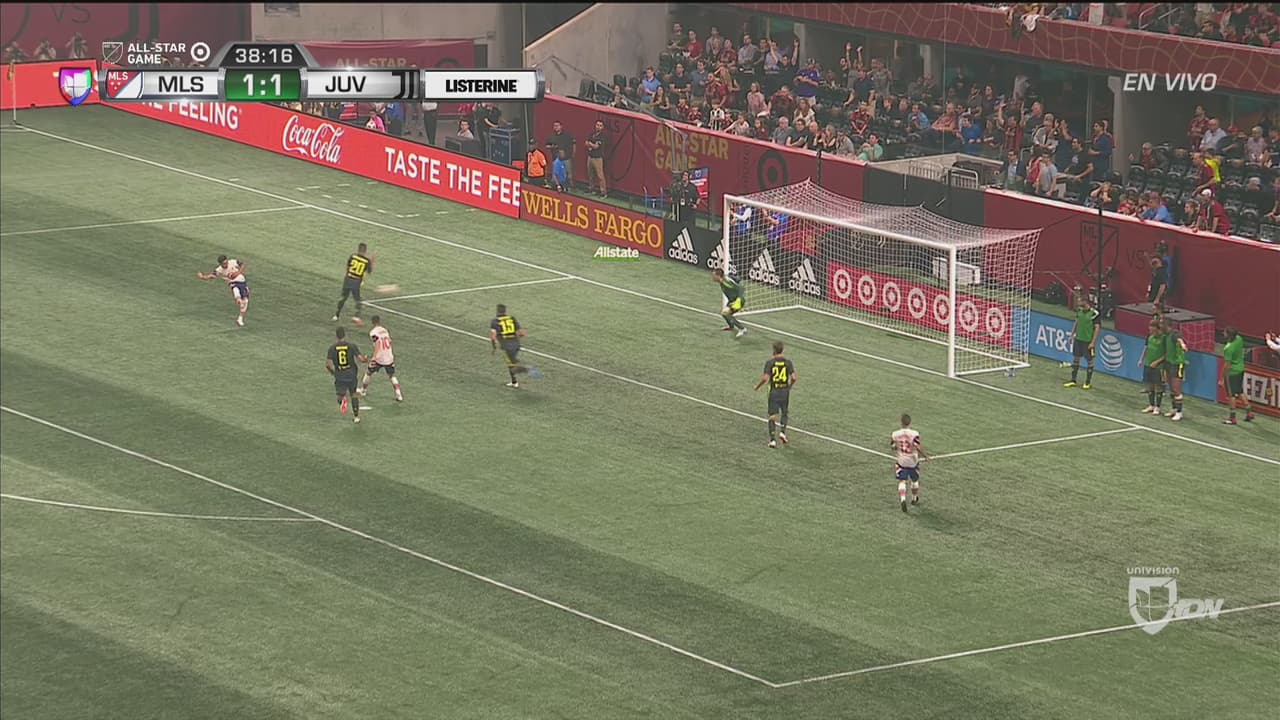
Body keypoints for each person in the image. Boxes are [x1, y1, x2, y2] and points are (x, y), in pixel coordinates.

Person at [753, 341, 796, 448]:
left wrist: (757, 386)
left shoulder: (770, 363)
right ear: (782, 350)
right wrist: (789, 386)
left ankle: (772, 440)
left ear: (774, 350)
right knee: (784, 412)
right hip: (784, 391)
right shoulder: (788, 362)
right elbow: (794, 377)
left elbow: (765, 378)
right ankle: (783, 432)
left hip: (774, 391)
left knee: (772, 415)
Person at [490, 304, 539, 388]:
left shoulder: (494, 321)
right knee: (511, 363)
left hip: (506, 345)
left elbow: (493, 336)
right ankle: (514, 382)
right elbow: (522, 333)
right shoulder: (512, 318)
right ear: (505, 311)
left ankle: (527, 369)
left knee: (512, 366)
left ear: (497, 311)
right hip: (516, 344)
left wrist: (494, 347)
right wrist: (515, 339)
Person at [326, 327, 367, 423]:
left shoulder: (332, 348)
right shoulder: (351, 346)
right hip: (351, 374)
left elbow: (328, 364)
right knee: (354, 394)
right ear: (344, 335)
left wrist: (333, 373)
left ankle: (343, 399)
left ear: (336, 336)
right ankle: (356, 417)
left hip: (340, 374)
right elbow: (361, 359)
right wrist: (365, 359)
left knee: (339, 396)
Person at [196, 255, 249, 327]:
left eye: (226, 262)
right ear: (220, 264)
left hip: (243, 282)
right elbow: (211, 276)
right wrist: (202, 277)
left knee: (245, 301)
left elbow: (242, 265)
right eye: (224, 263)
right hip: (233, 282)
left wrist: (238, 272)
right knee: (235, 288)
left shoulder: (233, 262)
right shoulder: (219, 270)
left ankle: (240, 318)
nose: (226, 264)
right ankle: (238, 299)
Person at [360, 315, 403, 403]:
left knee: (368, 373)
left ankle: (363, 391)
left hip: (379, 357)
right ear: (379, 321)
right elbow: (390, 341)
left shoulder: (373, 332)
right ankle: (399, 394)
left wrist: (374, 357)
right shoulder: (385, 330)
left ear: (372, 322)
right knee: (392, 375)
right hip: (389, 356)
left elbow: (378, 344)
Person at [891, 413, 927, 513]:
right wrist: (925, 456)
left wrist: (897, 447)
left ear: (901, 422)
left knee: (902, 481)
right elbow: (917, 447)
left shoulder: (895, 434)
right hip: (913, 461)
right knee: (914, 480)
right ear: (910, 422)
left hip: (901, 460)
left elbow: (893, 446)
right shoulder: (914, 434)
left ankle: (903, 498)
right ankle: (914, 498)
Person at [1064, 293, 1101, 389]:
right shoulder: (1079, 311)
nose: (1078, 302)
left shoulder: (1094, 314)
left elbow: (1097, 329)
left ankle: (1087, 383)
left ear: (1085, 301)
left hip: (1087, 341)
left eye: (1080, 300)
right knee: (1076, 359)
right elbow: (1076, 322)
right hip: (1078, 339)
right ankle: (1073, 380)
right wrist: (1072, 335)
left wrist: (1093, 342)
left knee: (1090, 361)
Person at [332, 242, 373, 326]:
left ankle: (336, 315)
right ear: (365, 251)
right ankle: (356, 316)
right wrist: (372, 262)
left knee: (343, 297)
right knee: (358, 299)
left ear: (358, 249)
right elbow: (369, 271)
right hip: (356, 282)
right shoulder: (366, 261)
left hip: (348, 279)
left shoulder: (353, 256)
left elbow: (348, 267)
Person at [1221, 326, 1255, 424]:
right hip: (1240, 369)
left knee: (1231, 395)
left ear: (1228, 335)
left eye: (1225, 332)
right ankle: (1249, 412)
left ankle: (1232, 418)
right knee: (1239, 391)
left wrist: (1222, 377)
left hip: (1232, 373)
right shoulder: (1239, 339)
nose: (1223, 333)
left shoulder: (1228, 348)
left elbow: (1227, 365)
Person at [1138, 317, 1166, 415]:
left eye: (1152, 330)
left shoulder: (1164, 338)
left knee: (1158, 386)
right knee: (1150, 386)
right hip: (1148, 364)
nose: (1151, 331)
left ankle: (1158, 407)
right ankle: (1151, 405)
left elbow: (1167, 354)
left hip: (1159, 367)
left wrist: (1157, 362)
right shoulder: (1150, 337)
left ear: (1158, 329)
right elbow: (1146, 348)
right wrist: (1142, 360)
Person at [1163, 319, 1188, 421]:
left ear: (1167, 325)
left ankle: (1179, 412)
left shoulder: (1174, 333)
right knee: (1171, 388)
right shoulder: (1166, 335)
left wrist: (1182, 345)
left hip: (1177, 363)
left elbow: (1179, 339)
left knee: (1176, 388)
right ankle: (1174, 409)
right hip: (1169, 362)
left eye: (1162, 324)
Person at [712, 268, 747, 338]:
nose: (712, 277)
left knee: (726, 313)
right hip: (732, 300)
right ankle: (731, 326)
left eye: (714, 275)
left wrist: (739, 299)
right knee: (724, 314)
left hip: (738, 301)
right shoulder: (724, 280)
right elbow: (737, 279)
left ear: (718, 276)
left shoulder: (726, 282)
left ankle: (742, 329)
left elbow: (741, 288)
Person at [585, 120, 608, 197]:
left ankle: (603, 192)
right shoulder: (592, 134)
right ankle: (592, 189)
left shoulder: (603, 136)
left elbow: (596, 146)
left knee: (600, 175)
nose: (598, 127)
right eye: (597, 125)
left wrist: (590, 144)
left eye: (600, 125)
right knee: (590, 174)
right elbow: (586, 143)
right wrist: (591, 145)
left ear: (603, 127)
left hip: (598, 158)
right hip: (590, 157)